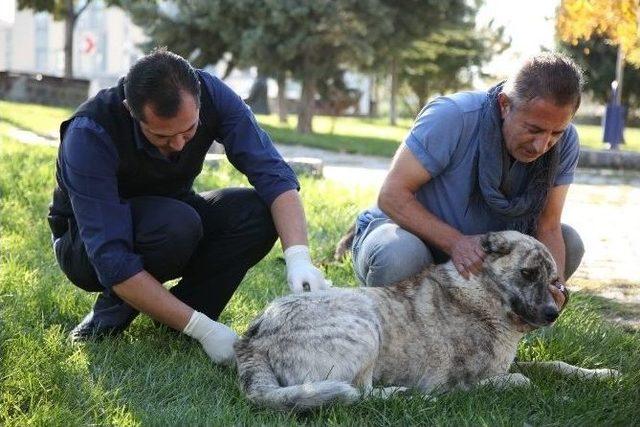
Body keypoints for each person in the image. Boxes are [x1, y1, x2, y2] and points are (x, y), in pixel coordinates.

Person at [47, 48, 328, 364]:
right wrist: (205, 330)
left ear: (199, 100)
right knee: (174, 225)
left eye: (189, 130)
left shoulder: (212, 94)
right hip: (84, 244)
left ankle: (179, 320)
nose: (180, 145)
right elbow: (110, 257)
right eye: (162, 137)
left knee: (256, 213)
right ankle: (115, 317)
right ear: (130, 111)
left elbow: (274, 176)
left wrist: (299, 258)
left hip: (172, 213)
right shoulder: (90, 133)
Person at [349, 52, 584, 307]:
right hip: (413, 238)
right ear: (505, 105)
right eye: (533, 129)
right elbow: (391, 196)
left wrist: (554, 286)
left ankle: (495, 327)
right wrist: (457, 243)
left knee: (569, 243)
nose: (542, 145)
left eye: (556, 133)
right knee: (400, 257)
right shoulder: (453, 116)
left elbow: (548, 225)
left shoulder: (567, 142)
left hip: (482, 258)